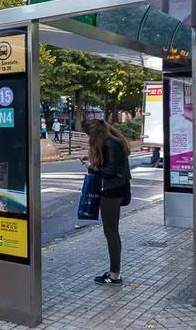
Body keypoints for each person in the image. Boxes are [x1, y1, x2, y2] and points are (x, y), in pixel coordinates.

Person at [81, 119, 132, 286]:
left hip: (112, 191)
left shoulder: (111, 143)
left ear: (96, 133)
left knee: (110, 233)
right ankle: (114, 273)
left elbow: (109, 171)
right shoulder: (114, 142)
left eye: (90, 135)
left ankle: (114, 275)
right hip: (116, 190)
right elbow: (112, 166)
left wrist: (90, 166)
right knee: (112, 232)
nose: (89, 139)